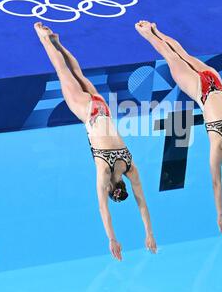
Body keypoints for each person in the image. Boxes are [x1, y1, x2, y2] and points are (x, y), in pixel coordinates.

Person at [34, 22, 157, 260]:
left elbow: (142, 203)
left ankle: (57, 41)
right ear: (112, 189)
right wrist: (112, 238)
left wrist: (149, 233)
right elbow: (104, 210)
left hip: (102, 107)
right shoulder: (103, 173)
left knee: (78, 74)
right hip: (87, 112)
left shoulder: (130, 167)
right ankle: (43, 38)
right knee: (63, 72)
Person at [135, 20, 222, 236]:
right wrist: (220, 215)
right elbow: (216, 183)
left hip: (215, 82)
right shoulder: (218, 144)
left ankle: (156, 29)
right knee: (172, 56)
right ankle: (147, 33)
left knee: (181, 53)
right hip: (199, 90)